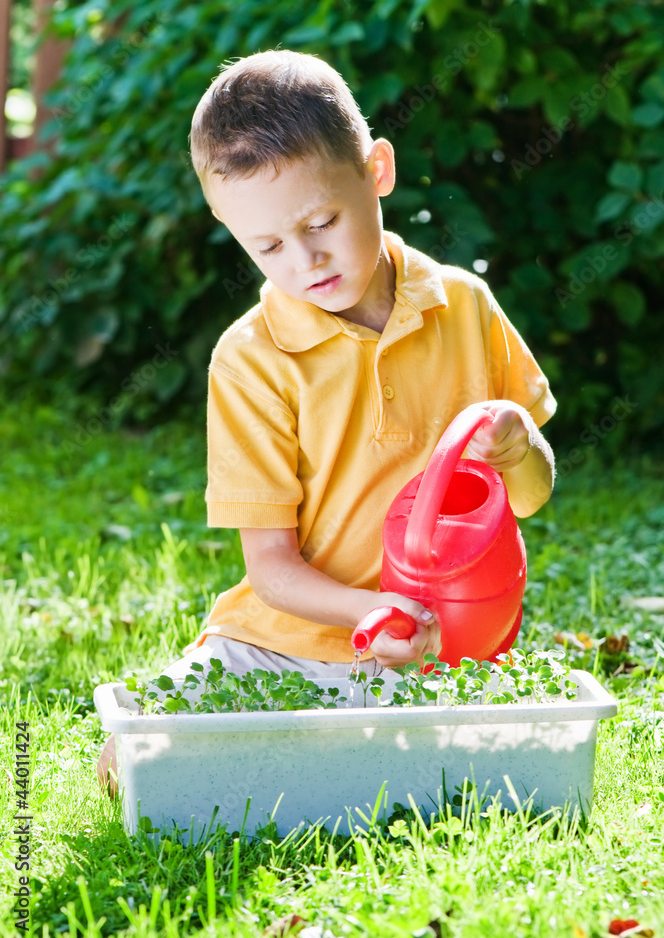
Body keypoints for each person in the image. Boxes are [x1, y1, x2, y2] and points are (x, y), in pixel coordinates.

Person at [97, 49, 556, 796]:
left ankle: (345, 739)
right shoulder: (250, 359)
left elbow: (531, 495)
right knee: (137, 761)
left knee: (479, 769)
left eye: (321, 222)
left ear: (377, 171)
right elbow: (270, 570)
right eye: (268, 246)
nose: (306, 260)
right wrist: (373, 609)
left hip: (441, 644)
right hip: (279, 643)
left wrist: (519, 445)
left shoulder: (465, 306)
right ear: (228, 226)